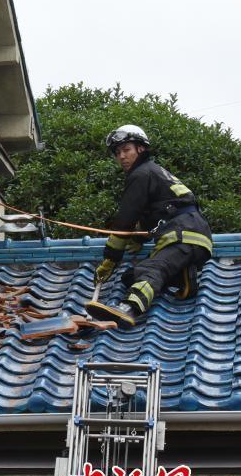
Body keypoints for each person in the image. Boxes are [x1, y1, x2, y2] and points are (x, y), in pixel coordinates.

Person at [85, 125, 213, 329]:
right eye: (117, 153)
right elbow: (156, 214)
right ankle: (183, 279)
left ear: (141, 149)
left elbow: (125, 220)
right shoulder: (153, 172)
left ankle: (129, 309)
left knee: (153, 270)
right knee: (132, 276)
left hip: (183, 234)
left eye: (126, 150)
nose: (121, 157)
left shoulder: (141, 174)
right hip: (192, 235)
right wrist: (138, 238)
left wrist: (111, 258)